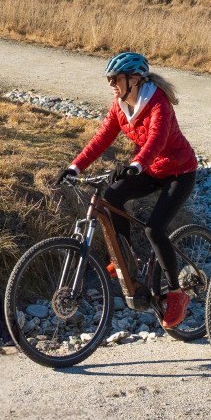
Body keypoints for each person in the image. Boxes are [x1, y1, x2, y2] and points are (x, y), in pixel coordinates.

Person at [56, 52, 198, 329]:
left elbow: (156, 140)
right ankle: (126, 257)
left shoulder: (158, 103)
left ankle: (176, 292)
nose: (110, 83)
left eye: (115, 78)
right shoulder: (120, 105)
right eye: (109, 78)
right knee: (112, 196)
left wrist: (136, 164)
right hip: (148, 169)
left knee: (154, 229)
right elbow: (102, 138)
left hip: (179, 172)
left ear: (134, 80)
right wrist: (75, 167)